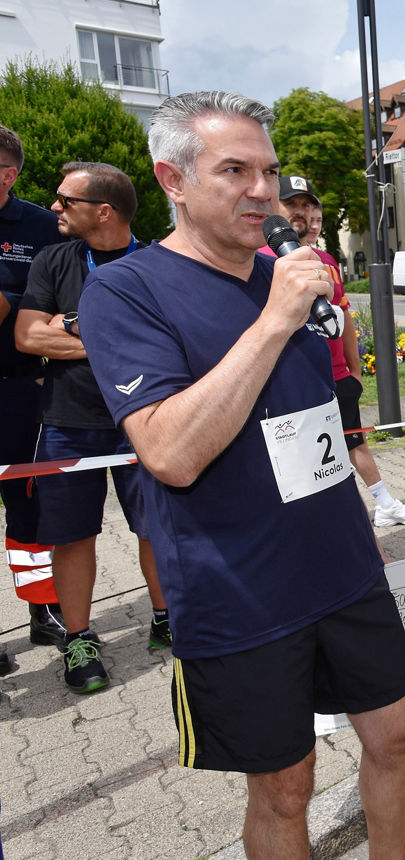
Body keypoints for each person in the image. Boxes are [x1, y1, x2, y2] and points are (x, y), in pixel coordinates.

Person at [77, 91, 405, 858]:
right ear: (173, 180)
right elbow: (170, 452)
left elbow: (315, 418)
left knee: (401, 730)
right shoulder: (126, 290)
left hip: (341, 561)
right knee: (286, 785)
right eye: (235, 170)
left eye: (268, 171)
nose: (263, 191)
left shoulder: (284, 273)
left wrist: (358, 520)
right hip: (239, 590)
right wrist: (274, 320)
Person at [15, 162, 169, 693]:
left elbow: (165, 341)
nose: (54, 208)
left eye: (65, 200)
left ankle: (166, 618)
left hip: (144, 416)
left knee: (156, 524)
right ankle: (78, 639)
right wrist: (111, 337)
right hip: (68, 420)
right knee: (72, 535)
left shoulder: (155, 263)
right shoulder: (53, 259)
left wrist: (74, 326)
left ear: (104, 211)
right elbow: (29, 337)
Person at [259, 175, 405, 530]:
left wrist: (354, 369)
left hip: (337, 378)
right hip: (295, 384)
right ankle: (347, 522)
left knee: (353, 445)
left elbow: (344, 315)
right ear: (275, 207)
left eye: (307, 205)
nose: (302, 212)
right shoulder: (259, 261)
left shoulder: (325, 260)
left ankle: (381, 507)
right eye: (292, 204)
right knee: (315, 463)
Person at [0, 124, 67, 675]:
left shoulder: (42, 227)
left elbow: (67, 302)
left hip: (17, 388)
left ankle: (44, 611)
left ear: (8, 175)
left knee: (27, 502)